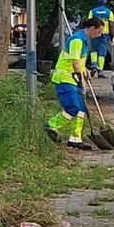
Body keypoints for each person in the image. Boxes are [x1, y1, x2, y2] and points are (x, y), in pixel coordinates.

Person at [46, 17, 104, 149]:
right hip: (65, 79)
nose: (99, 35)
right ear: (91, 28)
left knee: (80, 110)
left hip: (72, 79)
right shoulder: (77, 40)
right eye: (99, 32)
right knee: (73, 108)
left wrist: (85, 71)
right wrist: (81, 81)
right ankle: (51, 125)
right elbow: (75, 62)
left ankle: (75, 139)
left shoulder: (84, 40)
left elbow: (80, 62)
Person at [87, 0, 114, 76]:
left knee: (93, 50)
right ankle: (100, 70)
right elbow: (111, 25)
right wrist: (112, 37)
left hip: (94, 34)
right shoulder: (109, 12)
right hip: (104, 34)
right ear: (105, 3)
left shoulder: (92, 11)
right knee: (102, 52)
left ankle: (93, 66)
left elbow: (89, 23)